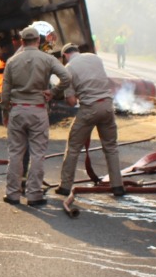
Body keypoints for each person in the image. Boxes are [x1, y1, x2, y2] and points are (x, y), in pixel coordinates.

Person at [0, 25, 71, 206]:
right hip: (38, 110)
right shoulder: (47, 59)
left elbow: (5, 92)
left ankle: (13, 195)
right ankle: (34, 195)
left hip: (17, 110)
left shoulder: (12, 61)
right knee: (37, 154)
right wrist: (53, 92)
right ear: (38, 41)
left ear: (22, 41)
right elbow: (66, 77)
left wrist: (5, 113)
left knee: (15, 153)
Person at [52, 44, 125, 197]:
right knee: (111, 147)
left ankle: (65, 187)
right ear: (77, 51)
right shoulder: (94, 58)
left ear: (65, 55)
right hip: (107, 106)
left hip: (89, 109)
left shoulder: (69, 68)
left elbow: (71, 102)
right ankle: (118, 186)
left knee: (73, 147)